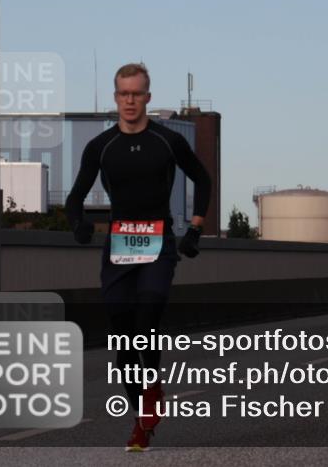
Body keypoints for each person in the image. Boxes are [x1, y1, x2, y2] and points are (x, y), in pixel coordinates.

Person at [66, 63, 211, 452]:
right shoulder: (101, 146)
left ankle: (149, 400)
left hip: (158, 242)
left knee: (147, 314)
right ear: (116, 97)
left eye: (137, 94)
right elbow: (75, 197)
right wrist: (78, 225)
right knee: (124, 339)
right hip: (119, 245)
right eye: (123, 94)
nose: (130, 101)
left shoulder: (167, 141)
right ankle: (141, 415)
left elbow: (202, 178)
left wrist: (195, 229)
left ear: (148, 97)